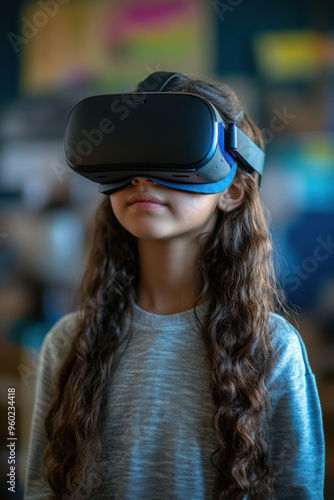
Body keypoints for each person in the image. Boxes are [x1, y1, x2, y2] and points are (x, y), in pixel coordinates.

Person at [24, 73, 325, 500]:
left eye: (174, 150)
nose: (142, 177)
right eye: (129, 154)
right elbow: (39, 487)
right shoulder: (69, 342)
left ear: (233, 190)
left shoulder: (272, 348)